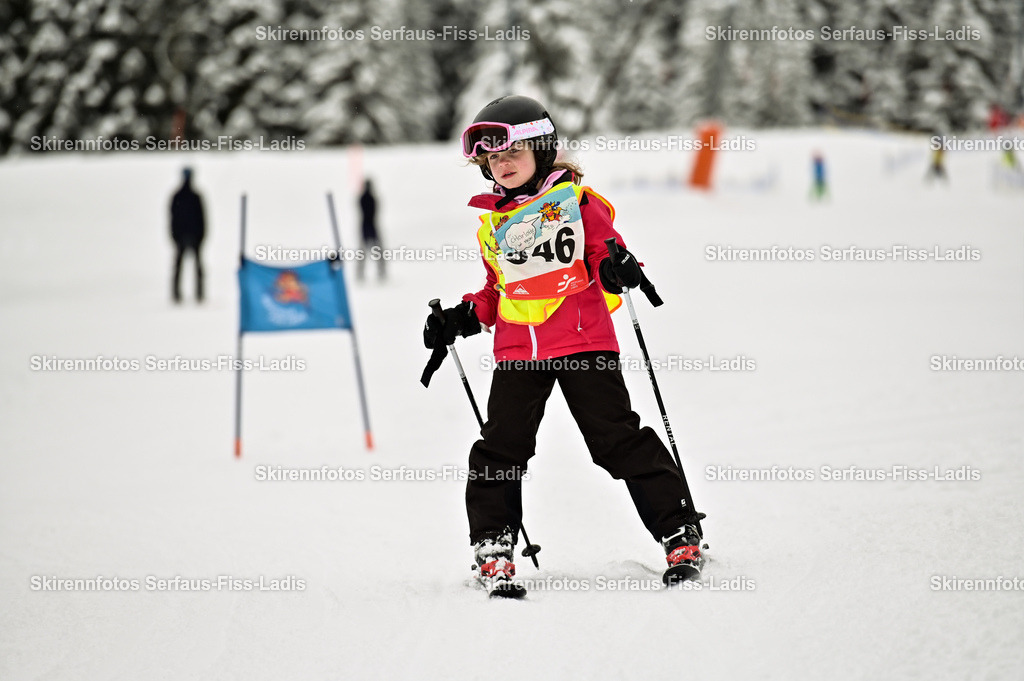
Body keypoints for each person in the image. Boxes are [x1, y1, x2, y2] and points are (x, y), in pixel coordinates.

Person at [423, 95, 706, 598]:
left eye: (513, 152)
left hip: (584, 342)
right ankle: (493, 547)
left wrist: (616, 268)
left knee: (616, 440)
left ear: (543, 150)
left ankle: (678, 531)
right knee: (500, 448)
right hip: (519, 352)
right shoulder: (494, 221)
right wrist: (462, 318)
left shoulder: (578, 204)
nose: (502, 164)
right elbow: (497, 289)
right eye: (493, 158)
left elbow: (603, 254)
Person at [169, 167, 206, 303]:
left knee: (195, 267)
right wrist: (175, 236)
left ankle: (198, 294)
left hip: (192, 236)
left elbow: (202, 219)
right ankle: (179, 294)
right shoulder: (182, 196)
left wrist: (201, 236)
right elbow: (173, 219)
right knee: (181, 266)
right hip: (185, 236)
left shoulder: (191, 197)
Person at [357, 179, 385, 281]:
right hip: (369, 228)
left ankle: (380, 272)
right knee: (365, 253)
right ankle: (362, 273)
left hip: (369, 227)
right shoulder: (367, 198)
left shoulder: (365, 198)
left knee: (367, 253)